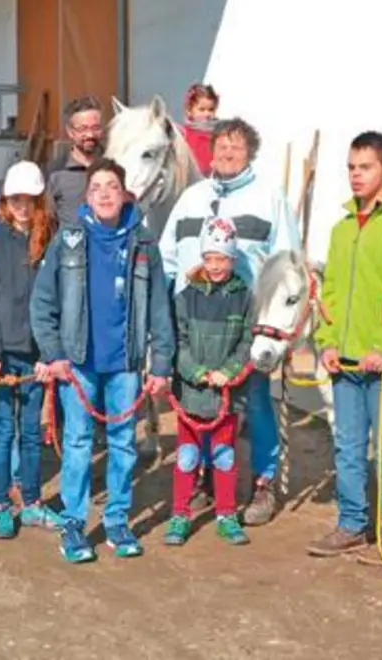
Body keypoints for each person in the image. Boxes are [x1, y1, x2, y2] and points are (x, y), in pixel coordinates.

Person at [30, 159, 175, 563]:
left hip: (125, 364)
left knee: (123, 444)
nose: (106, 194)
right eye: (97, 188)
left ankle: (116, 520)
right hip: (79, 363)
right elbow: (43, 302)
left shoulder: (143, 244)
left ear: (126, 193)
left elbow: (161, 309)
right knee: (77, 443)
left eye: (112, 186)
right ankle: (74, 523)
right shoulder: (69, 240)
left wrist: (160, 364)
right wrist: (54, 355)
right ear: (87, 196)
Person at [159, 117, 298, 527]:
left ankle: (263, 482)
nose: (226, 153)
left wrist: (277, 330)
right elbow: (169, 258)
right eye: (220, 146)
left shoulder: (269, 196)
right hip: (196, 329)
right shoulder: (191, 199)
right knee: (198, 403)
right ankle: (204, 481)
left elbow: (287, 264)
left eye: (236, 146)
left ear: (249, 152)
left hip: (245, 330)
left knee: (254, 404)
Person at [309, 131, 382, 560]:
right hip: (346, 360)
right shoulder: (342, 230)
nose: (356, 176)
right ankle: (352, 522)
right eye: (351, 168)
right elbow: (333, 292)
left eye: (366, 167)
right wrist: (326, 342)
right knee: (348, 445)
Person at [0, 160, 61, 538]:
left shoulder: (55, 242)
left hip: (37, 356)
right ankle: (0, 504)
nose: (22, 207)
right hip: (4, 356)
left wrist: (49, 355)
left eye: (28, 199)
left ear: (39, 199)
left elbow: (60, 300)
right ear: (5, 202)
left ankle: (32, 503)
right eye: (15, 200)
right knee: (2, 431)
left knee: (30, 433)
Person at [163, 217, 253, 548]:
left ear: (233, 259)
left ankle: (226, 515)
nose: (216, 266)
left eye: (223, 259)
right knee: (187, 456)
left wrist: (227, 372)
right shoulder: (187, 297)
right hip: (191, 392)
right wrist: (194, 371)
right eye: (210, 258)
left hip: (225, 394)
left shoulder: (243, 296)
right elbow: (178, 341)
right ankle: (180, 514)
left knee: (224, 456)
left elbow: (247, 342)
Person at [47, 97, 105, 227]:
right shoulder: (56, 173)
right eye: (82, 129)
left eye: (95, 128)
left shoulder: (113, 169)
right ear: (70, 132)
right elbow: (46, 223)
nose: (90, 134)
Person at [180, 83, 220, 176]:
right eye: (201, 109)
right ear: (189, 111)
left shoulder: (219, 132)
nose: (207, 114)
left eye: (211, 109)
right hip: (192, 179)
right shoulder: (185, 134)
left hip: (214, 178)